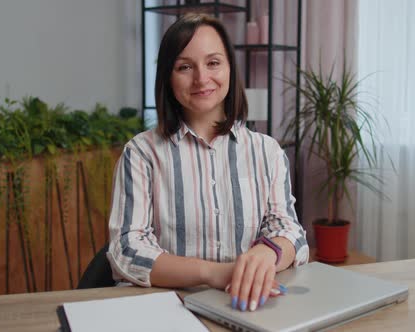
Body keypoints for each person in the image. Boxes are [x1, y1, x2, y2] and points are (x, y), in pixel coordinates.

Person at [107, 13, 309, 312]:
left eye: (213, 63)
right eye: (185, 67)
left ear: (230, 68)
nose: (202, 78)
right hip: (165, 308)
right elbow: (127, 249)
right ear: (168, 77)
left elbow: (291, 231)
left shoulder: (267, 151)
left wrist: (267, 255)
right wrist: (217, 273)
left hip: (249, 305)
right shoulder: (141, 153)